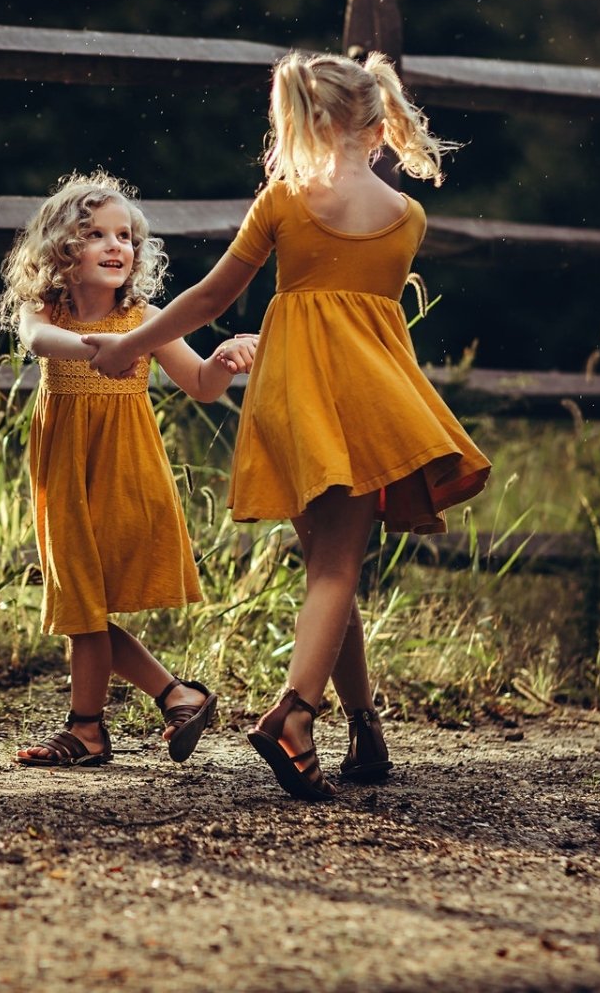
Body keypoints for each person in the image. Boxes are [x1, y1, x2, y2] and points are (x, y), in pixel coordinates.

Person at [84, 52, 490, 799]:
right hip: (368, 403)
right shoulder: (409, 218)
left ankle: (364, 728)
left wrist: (131, 344)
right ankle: (296, 716)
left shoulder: (288, 199)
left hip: (294, 400)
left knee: (328, 571)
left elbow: (209, 300)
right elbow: (367, 322)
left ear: (308, 120)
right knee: (338, 567)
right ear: (375, 124)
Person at [0, 171, 256, 767]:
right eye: (95, 235)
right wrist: (106, 348)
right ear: (62, 249)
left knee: (86, 604)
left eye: (126, 236)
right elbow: (39, 343)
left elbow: (202, 386)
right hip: (65, 470)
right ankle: (174, 696)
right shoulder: (46, 311)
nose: (117, 246)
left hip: (125, 470)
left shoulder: (146, 318)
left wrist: (223, 359)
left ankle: (94, 726)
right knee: (80, 601)